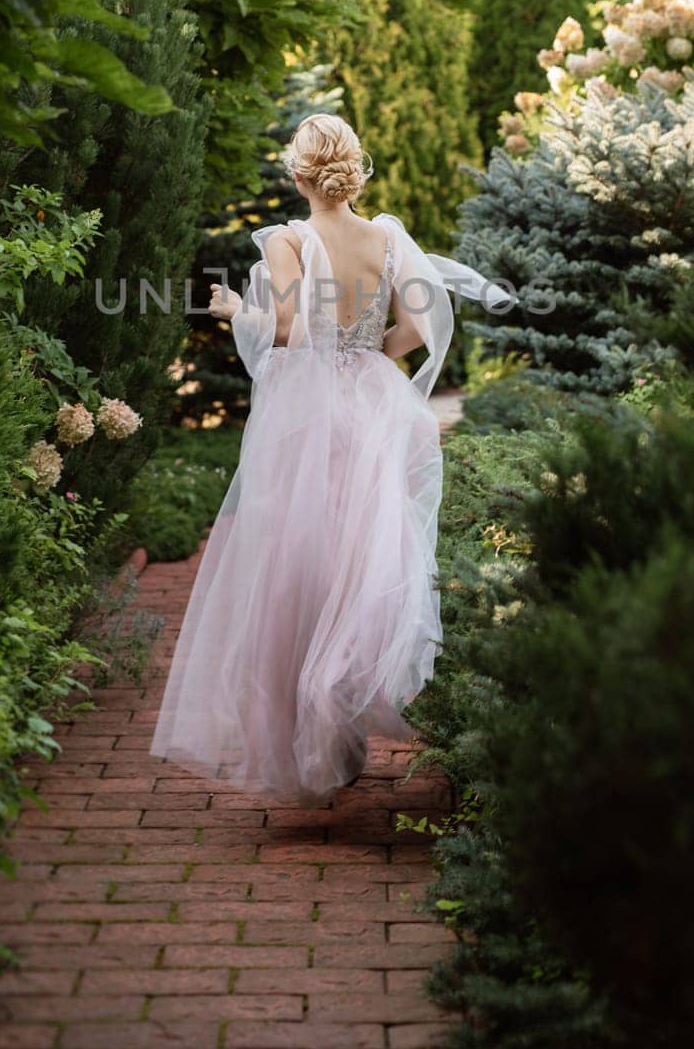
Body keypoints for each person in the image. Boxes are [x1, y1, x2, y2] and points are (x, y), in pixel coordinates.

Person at [149, 113, 509, 805]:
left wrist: (233, 311)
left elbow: (285, 328)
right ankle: (342, 723)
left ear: (297, 174)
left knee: (300, 562)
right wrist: (367, 353)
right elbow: (414, 328)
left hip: (311, 413)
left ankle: (316, 741)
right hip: (372, 405)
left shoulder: (289, 240)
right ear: (353, 169)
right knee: (360, 553)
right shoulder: (386, 237)